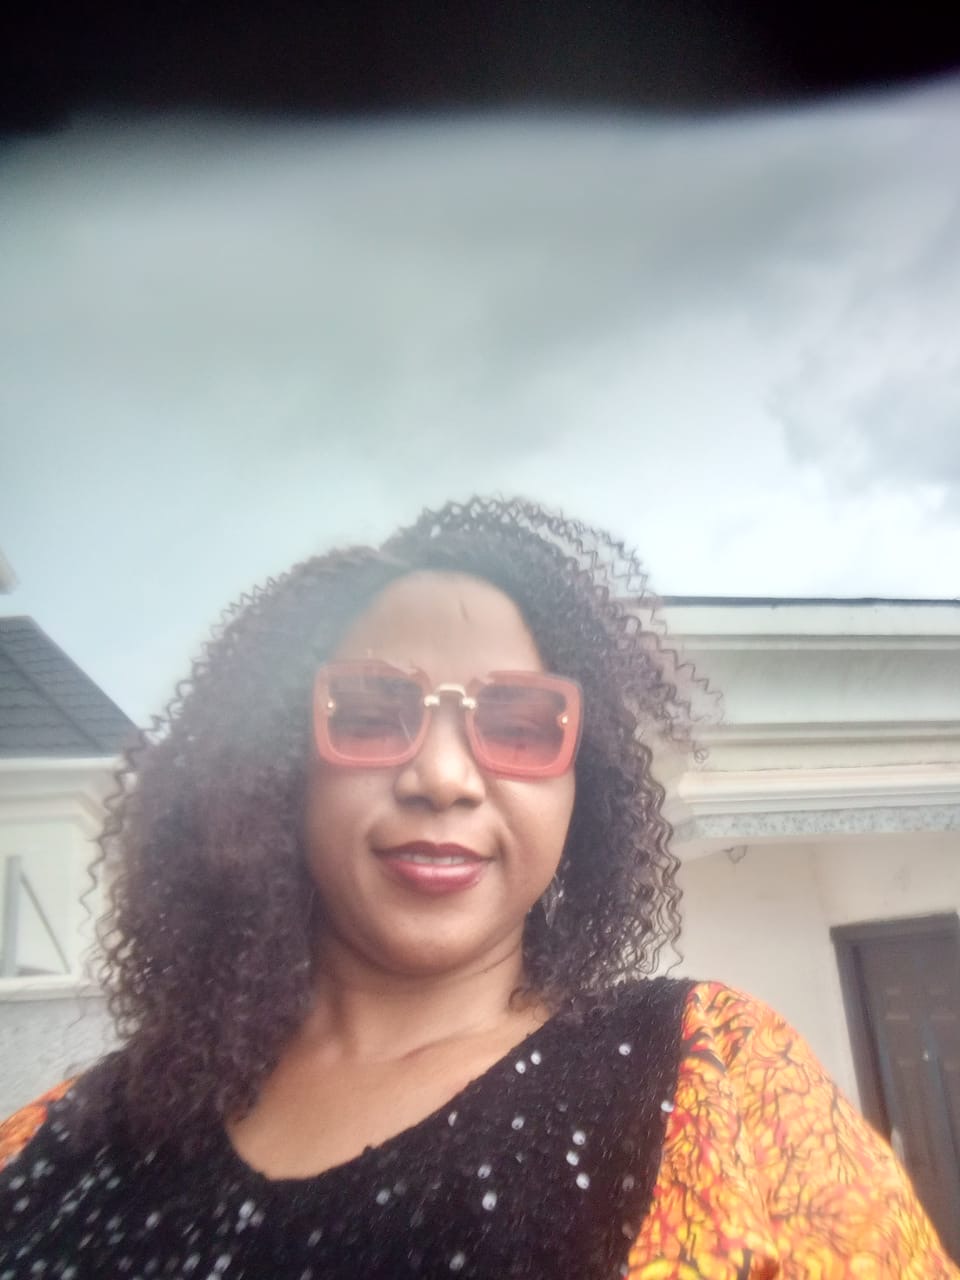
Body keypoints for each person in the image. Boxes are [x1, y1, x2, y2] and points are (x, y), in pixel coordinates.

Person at [0, 497, 955, 1279]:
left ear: (585, 788)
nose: (444, 777)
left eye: (521, 724)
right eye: (371, 712)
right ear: (280, 768)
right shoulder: (48, 1150)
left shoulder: (719, 1076)